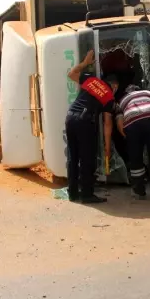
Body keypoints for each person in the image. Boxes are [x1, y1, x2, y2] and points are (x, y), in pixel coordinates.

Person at [65, 50, 119, 204]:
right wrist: (108, 147)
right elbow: (107, 123)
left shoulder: (92, 80)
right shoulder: (109, 96)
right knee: (87, 159)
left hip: (70, 117)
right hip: (85, 121)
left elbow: (72, 74)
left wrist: (85, 63)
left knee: (72, 157)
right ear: (114, 86)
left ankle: (73, 193)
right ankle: (87, 194)